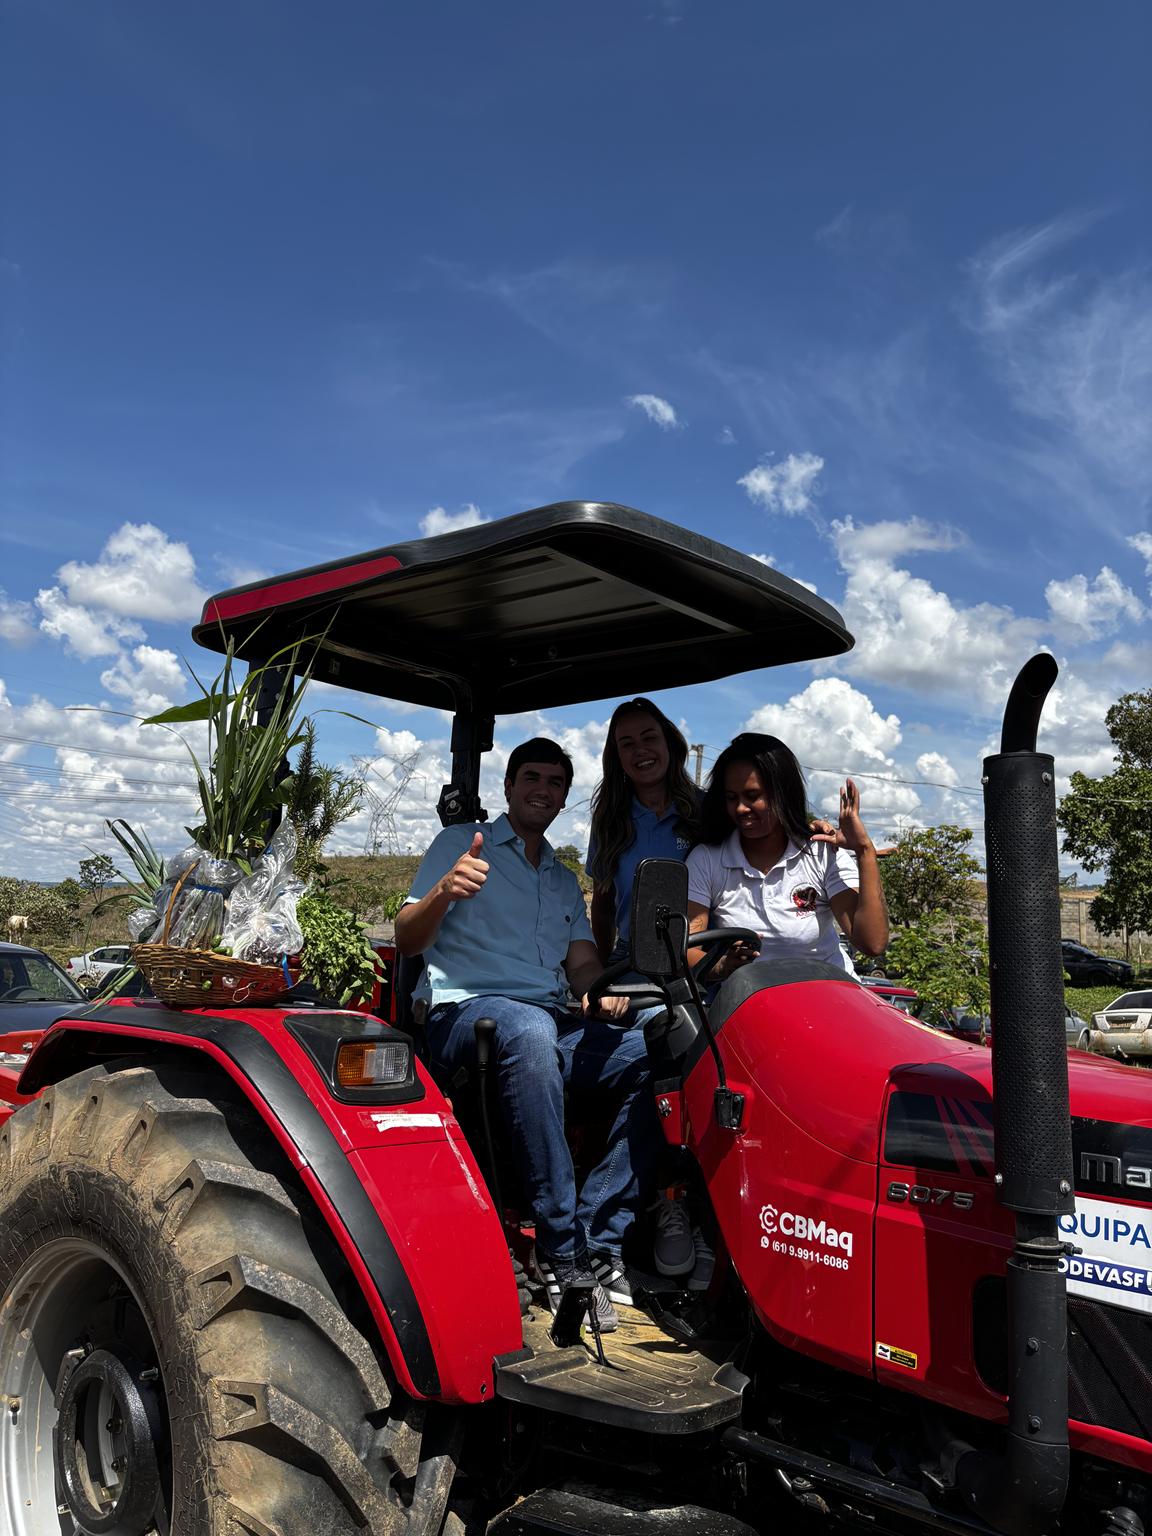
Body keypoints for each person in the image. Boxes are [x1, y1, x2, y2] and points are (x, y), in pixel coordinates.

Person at [395, 738, 660, 1329]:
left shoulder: (563, 881)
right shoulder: (460, 845)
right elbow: (408, 938)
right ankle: (562, 1250)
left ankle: (600, 1232)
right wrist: (444, 890)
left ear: (564, 797)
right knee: (532, 1029)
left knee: (656, 1049)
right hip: (465, 1012)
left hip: (544, 1018)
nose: (543, 790)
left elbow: (582, 963)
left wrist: (599, 990)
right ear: (509, 786)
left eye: (555, 782)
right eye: (532, 778)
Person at [686, 733, 888, 981]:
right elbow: (688, 949)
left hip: (830, 994)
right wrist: (721, 966)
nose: (740, 808)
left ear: (783, 793)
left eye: (752, 796)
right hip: (750, 999)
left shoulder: (822, 851)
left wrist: (864, 850)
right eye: (731, 798)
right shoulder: (707, 860)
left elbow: (872, 943)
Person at [587, 698, 700, 966]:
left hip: (700, 959)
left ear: (669, 743)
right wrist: (601, 973)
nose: (640, 750)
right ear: (617, 757)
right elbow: (602, 909)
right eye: (627, 744)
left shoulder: (705, 811)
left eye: (649, 738)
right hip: (631, 959)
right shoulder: (609, 820)